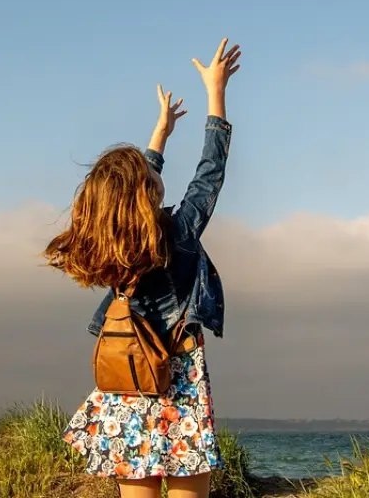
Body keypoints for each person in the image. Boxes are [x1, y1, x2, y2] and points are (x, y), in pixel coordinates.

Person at [43, 38, 241, 498]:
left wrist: (160, 134)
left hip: (127, 383)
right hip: (178, 381)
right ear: (146, 192)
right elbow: (210, 172)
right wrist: (216, 93)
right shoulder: (179, 234)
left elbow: (131, 191)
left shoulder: (115, 248)